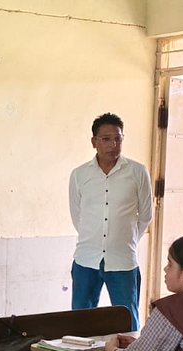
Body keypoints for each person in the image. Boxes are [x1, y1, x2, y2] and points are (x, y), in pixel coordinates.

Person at [68, 112, 153, 331]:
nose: (113, 144)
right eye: (106, 139)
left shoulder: (137, 172)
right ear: (94, 142)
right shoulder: (79, 175)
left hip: (123, 260)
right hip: (86, 259)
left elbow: (145, 215)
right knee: (80, 321)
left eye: (118, 138)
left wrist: (127, 241)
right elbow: (77, 214)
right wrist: (95, 239)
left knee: (127, 319)